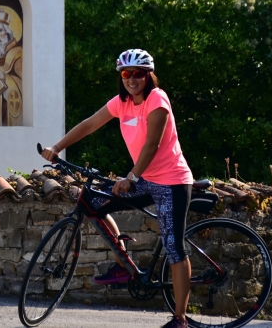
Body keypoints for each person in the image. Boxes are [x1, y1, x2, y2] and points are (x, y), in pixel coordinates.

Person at [41, 49, 193, 328]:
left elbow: (152, 144)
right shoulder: (121, 103)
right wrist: (57, 148)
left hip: (172, 181)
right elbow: (89, 124)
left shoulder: (157, 99)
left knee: (174, 246)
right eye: (126, 74)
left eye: (138, 74)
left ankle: (180, 319)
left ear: (148, 76)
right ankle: (124, 264)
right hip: (145, 179)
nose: (132, 79)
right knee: (94, 203)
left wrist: (132, 177)